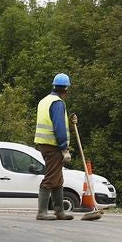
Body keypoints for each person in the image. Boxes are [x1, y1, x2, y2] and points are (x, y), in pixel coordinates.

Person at [34, 73, 74, 221]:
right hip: (53, 146)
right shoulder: (58, 103)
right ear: (66, 89)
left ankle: (59, 211)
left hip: (45, 144)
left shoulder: (45, 100)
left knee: (58, 178)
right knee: (51, 177)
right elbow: (58, 126)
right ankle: (42, 211)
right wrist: (64, 148)